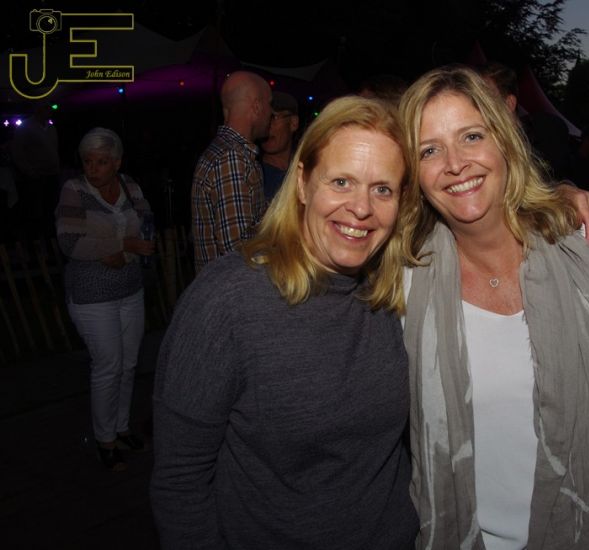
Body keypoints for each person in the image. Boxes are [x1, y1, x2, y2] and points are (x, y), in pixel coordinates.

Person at [398, 66, 589, 550]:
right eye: (429, 150)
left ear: (505, 140)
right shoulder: (408, 279)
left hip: (586, 533)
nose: (455, 163)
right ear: (414, 174)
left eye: (471, 136)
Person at [151, 97, 419, 549]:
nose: (361, 208)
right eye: (341, 181)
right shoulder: (227, 301)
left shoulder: (394, 289)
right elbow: (181, 479)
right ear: (302, 183)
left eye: (382, 189)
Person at [55, 127, 154, 471]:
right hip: (92, 295)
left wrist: (122, 250)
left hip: (130, 289)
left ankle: (121, 428)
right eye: (88, 162)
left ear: (117, 162)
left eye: (101, 162)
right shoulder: (75, 191)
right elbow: (70, 242)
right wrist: (121, 245)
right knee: (108, 365)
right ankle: (104, 440)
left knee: (128, 364)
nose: (93, 169)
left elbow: (146, 228)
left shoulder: (130, 187)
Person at [191, 70, 272, 270]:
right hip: (232, 287)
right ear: (257, 106)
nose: (271, 112)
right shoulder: (231, 158)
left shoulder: (228, 152)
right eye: (269, 104)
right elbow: (238, 252)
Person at [11, 100, 60, 237]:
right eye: (46, 108)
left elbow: (54, 149)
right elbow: (17, 152)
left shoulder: (51, 127)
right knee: (35, 211)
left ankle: (50, 237)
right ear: (37, 109)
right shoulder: (25, 127)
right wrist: (29, 172)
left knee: (51, 208)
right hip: (36, 177)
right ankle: (36, 240)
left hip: (52, 175)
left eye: (50, 108)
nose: (49, 110)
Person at [260, 91, 299, 201]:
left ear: (293, 123)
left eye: (273, 117)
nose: (266, 125)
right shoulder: (254, 175)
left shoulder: (306, 168)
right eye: (262, 118)